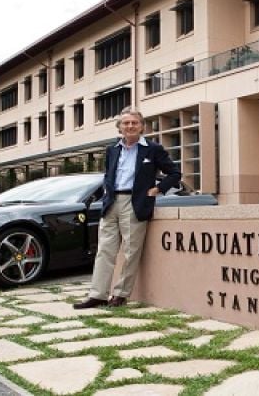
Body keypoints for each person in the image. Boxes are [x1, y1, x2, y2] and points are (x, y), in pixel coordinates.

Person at [74, 108, 181, 309]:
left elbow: (175, 173)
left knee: (131, 251)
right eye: (126, 123)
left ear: (142, 127)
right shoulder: (112, 149)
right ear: (120, 127)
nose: (130, 126)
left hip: (135, 203)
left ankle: (120, 294)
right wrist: (106, 193)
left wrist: (157, 190)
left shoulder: (153, 149)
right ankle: (98, 295)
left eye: (134, 123)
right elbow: (108, 175)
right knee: (104, 250)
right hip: (111, 203)